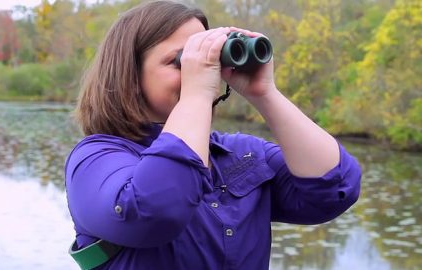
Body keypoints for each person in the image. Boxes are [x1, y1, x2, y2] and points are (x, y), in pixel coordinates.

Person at [65, 1, 362, 269]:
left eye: (207, 60)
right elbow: (155, 212)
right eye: (181, 61)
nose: (202, 71)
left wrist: (265, 94)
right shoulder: (94, 161)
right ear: (129, 76)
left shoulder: (238, 155)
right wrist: (195, 95)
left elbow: (334, 191)